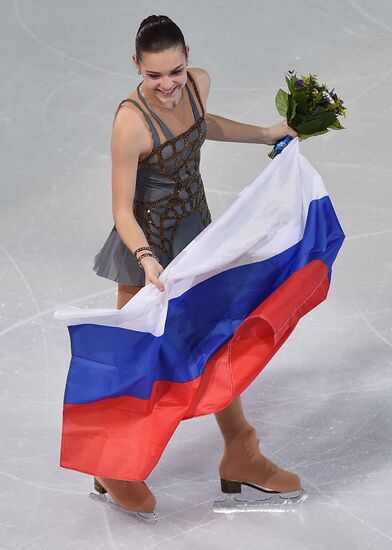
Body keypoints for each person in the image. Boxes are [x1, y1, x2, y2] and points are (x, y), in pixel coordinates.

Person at [92, 14, 300, 518]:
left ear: (188, 58)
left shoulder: (198, 84)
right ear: (136, 66)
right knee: (139, 358)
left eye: (176, 71)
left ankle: (241, 450)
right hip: (147, 246)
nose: (167, 85)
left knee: (217, 344)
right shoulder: (130, 122)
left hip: (196, 237)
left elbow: (205, 127)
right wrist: (146, 261)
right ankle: (112, 463)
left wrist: (268, 133)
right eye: (154, 75)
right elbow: (121, 210)